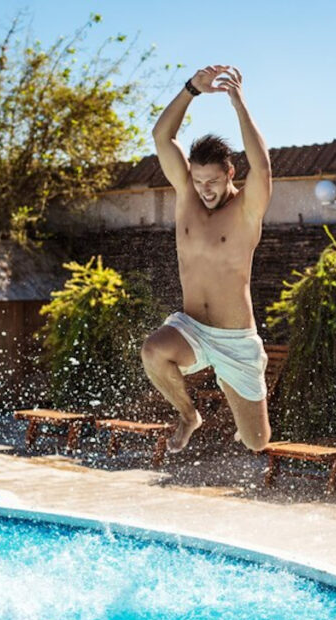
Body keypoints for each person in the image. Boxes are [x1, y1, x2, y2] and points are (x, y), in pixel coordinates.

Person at [141, 65, 273, 453]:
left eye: (213, 181)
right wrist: (189, 90)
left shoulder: (247, 209)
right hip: (191, 329)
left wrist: (239, 104)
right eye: (198, 181)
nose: (205, 189)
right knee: (153, 351)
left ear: (230, 172)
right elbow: (162, 136)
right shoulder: (186, 194)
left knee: (256, 442)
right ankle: (188, 415)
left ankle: (243, 416)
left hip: (235, 338)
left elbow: (262, 165)